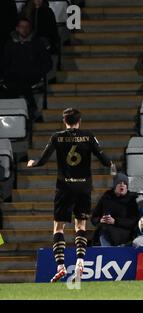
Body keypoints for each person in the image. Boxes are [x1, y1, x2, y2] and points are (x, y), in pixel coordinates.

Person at [27, 108, 115, 283]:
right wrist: (111, 164)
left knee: (58, 228)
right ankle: (81, 261)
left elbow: (43, 160)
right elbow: (104, 160)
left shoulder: (57, 137)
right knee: (80, 225)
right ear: (79, 121)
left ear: (64, 121)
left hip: (64, 187)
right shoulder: (88, 136)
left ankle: (60, 266)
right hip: (83, 187)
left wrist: (33, 163)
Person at [1, 18, 52, 120]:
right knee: (13, 84)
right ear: (17, 28)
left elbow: (47, 63)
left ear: (30, 29)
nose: (24, 29)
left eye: (27, 27)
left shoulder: (37, 43)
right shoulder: (9, 44)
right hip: (13, 76)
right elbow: (3, 62)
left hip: (32, 75)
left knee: (21, 83)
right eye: (22, 27)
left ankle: (27, 111)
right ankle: (27, 111)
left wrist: (38, 72)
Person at [91, 173, 140, 247]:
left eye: (125, 184)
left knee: (106, 231)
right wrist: (100, 220)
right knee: (104, 230)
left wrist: (115, 221)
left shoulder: (131, 200)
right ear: (114, 185)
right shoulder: (106, 198)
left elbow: (133, 222)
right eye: (119, 183)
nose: (122, 185)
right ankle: (108, 254)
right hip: (106, 229)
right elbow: (94, 218)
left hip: (124, 231)